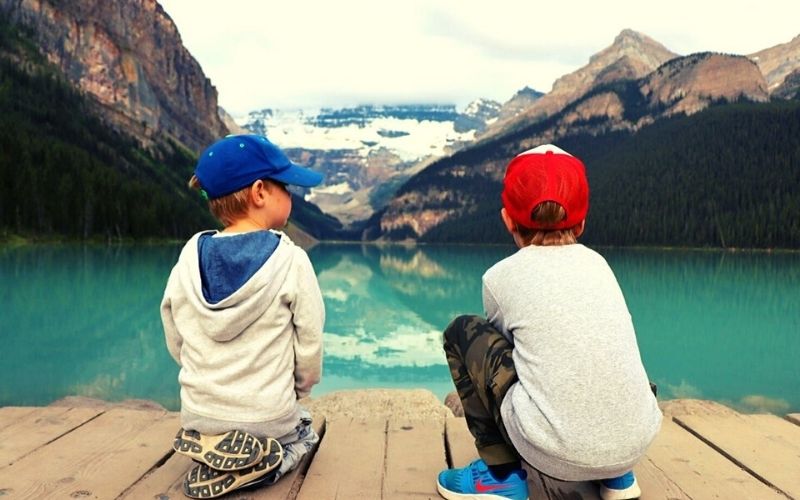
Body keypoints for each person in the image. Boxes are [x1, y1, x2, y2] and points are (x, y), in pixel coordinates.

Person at [436, 144, 662, 500]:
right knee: (597, 344)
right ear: (582, 222)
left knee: (462, 331)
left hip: (552, 450)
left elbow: (505, 364)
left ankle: (502, 475)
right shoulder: (601, 266)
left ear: (507, 219)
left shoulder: (500, 277)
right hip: (635, 442)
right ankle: (616, 475)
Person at [161, 134, 326, 499]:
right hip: (268, 416)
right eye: (285, 185)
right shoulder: (291, 259)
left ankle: (210, 444)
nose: (292, 195)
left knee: (227, 418)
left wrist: (203, 376)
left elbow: (175, 336)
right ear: (259, 192)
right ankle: (263, 465)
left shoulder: (187, 260)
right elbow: (310, 344)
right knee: (306, 429)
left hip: (199, 411)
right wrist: (298, 390)